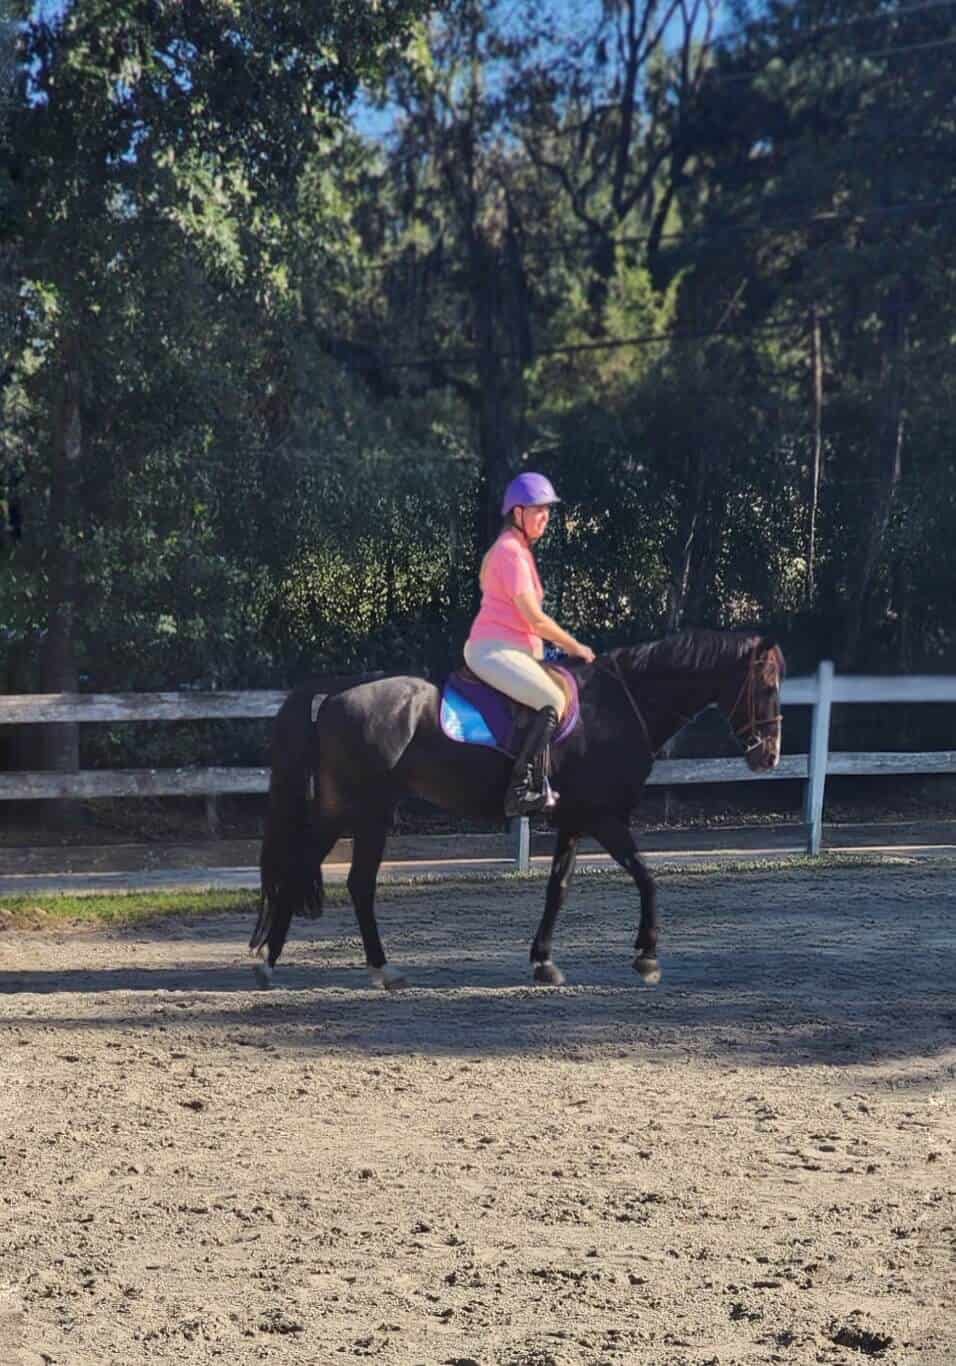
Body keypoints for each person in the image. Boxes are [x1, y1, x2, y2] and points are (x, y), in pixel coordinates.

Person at [464, 472, 595, 817]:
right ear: (518, 512)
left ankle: (543, 779)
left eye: (548, 511)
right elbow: (535, 619)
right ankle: (520, 789)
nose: (545, 517)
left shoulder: (520, 552)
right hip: (493, 650)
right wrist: (575, 646)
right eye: (538, 510)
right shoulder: (509, 552)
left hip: (514, 651)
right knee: (552, 699)